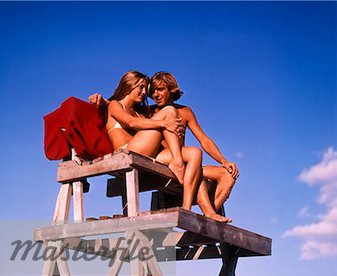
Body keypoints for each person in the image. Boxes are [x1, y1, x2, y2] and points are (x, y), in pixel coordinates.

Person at [94, 71, 202, 211]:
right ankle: (177, 162)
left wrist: (172, 127)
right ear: (129, 85)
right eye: (141, 87)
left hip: (144, 152)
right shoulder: (115, 105)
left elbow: (141, 123)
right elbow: (131, 123)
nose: (145, 92)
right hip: (126, 152)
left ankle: (186, 208)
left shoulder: (139, 111)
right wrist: (165, 124)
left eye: (146, 88)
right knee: (169, 111)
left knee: (195, 153)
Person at [148, 72, 239, 223]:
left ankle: (207, 220)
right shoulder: (150, 112)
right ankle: (208, 213)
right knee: (195, 169)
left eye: (160, 90)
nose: (155, 95)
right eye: (153, 92)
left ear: (171, 89)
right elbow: (126, 112)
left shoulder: (185, 111)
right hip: (169, 162)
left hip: (187, 159)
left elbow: (203, 139)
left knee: (229, 174)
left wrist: (223, 160)